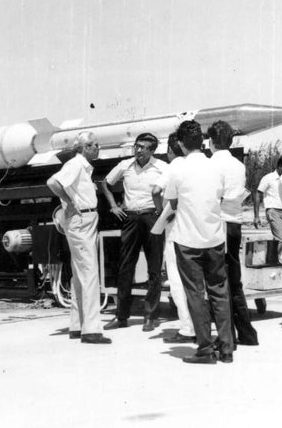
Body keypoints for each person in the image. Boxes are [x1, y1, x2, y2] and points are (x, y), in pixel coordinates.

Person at [164, 120, 233, 363]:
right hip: (214, 237)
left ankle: (205, 348)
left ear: (181, 144)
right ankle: (226, 348)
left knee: (195, 294)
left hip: (188, 241)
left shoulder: (177, 169)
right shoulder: (216, 167)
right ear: (202, 141)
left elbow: (170, 200)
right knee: (220, 293)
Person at [46, 131, 111, 344]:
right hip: (81, 221)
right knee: (89, 272)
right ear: (82, 148)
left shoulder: (83, 167)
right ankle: (91, 330)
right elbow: (52, 183)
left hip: (85, 220)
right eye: (93, 144)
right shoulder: (75, 165)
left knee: (80, 273)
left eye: (97, 144)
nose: (97, 147)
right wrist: (70, 202)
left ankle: (78, 325)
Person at [100, 133, 167, 332]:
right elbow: (105, 183)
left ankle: (150, 316)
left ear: (152, 150)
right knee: (125, 267)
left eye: (143, 147)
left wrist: (163, 212)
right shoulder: (125, 165)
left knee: (154, 269)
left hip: (151, 218)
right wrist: (113, 205)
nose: (138, 150)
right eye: (137, 146)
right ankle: (121, 316)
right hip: (130, 218)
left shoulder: (163, 168)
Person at [208, 121, 258, 346]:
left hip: (219, 225)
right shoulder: (238, 165)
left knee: (219, 283)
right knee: (233, 281)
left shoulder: (212, 165)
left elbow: (211, 197)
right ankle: (246, 333)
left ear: (210, 141)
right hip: (235, 224)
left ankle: (227, 337)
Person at [151, 132, 196, 344]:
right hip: (195, 226)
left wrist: (161, 212)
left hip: (176, 228)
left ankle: (187, 328)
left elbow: (156, 190)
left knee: (176, 278)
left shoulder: (173, 167)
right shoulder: (193, 165)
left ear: (170, 150)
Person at [254, 157, 282, 261]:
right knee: (281, 240)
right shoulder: (268, 178)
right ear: (280, 166)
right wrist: (256, 216)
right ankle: (272, 259)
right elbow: (258, 194)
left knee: (279, 240)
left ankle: (274, 259)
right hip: (273, 211)